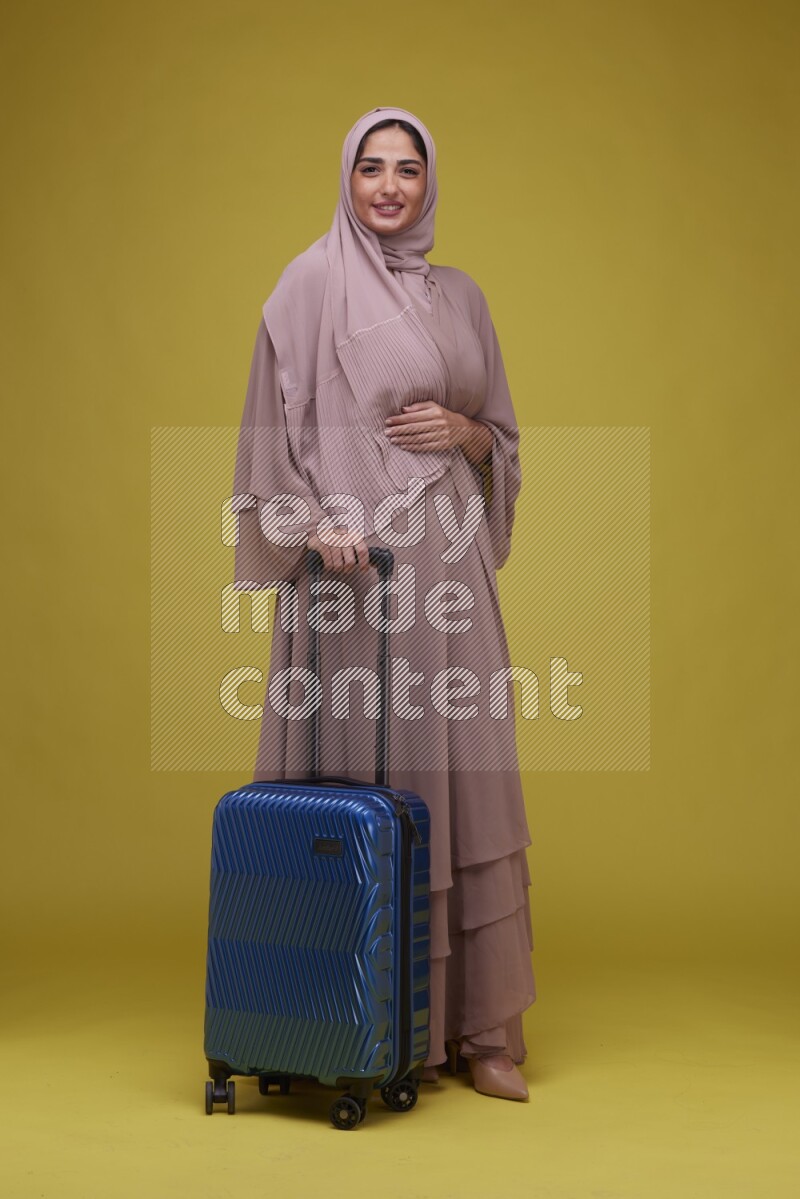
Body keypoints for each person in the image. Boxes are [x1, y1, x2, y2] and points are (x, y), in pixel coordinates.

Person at [231, 106, 535, 1101]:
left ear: (428, 182)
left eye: (408, 169)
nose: (390, 186)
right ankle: (335, 1014)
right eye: (372, 168)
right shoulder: (308, 283)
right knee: (355, 781)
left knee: (465, 770)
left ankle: (476, 1025)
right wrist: (310, 519)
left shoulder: (461, 297)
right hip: (348, 575)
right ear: (347, 178)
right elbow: (266, 435)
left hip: (445, 563)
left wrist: (464, 429)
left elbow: (500, 438)